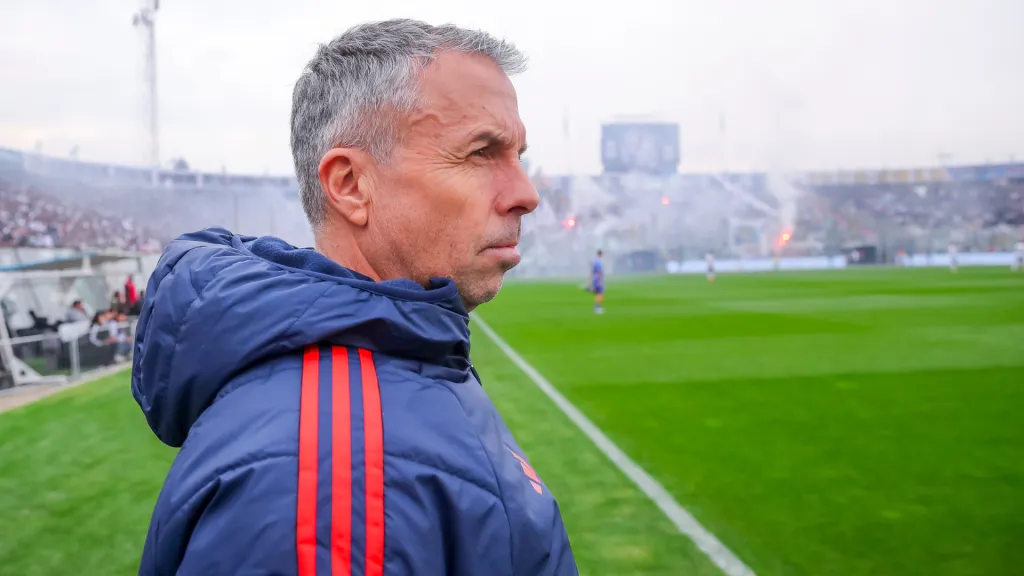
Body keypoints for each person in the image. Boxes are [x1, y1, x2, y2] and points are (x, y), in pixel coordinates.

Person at [133, 19, 577, 576]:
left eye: (519, 155)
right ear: (349, 185)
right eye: (481, 153)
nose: (526, 194)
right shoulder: (333, 473)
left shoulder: (402, 365)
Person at [591, 249, 605, 314]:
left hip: (595, 278)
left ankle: (597, 306)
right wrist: (600, 280)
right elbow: (599, 272)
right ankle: (597, 307)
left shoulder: (595, 261)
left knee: (598, 293)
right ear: (601, 254)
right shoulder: (599, 262)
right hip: (598, 279)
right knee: (600, 293)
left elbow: (593, 271)